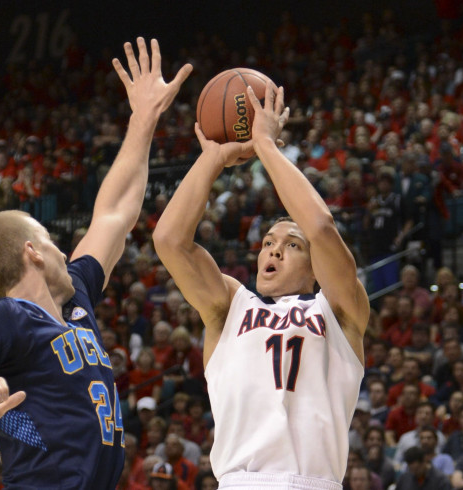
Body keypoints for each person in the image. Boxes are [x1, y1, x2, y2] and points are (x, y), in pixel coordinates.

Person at [0, 37, 192, 489]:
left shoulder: (77, 296)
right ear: (32, 251)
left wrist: (144, 118)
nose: (64, 250)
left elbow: (115, 214)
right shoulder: (6, 320)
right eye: (50, 240)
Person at [154, 83, 369, 487]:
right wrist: (212, 160)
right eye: (268, 242)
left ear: (315, 267)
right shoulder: (230, 305)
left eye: (292, 245)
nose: (274, 251)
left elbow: (320, 226)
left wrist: (266, 146)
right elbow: (169, 241)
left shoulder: (339, 311)